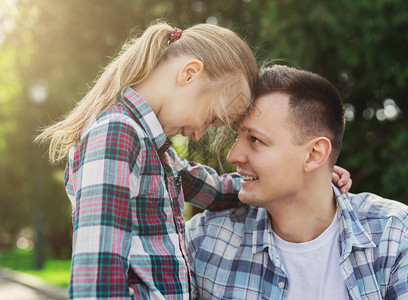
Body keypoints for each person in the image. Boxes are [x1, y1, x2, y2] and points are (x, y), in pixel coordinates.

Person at [36, 22, 349, 298]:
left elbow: (215, 190)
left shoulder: (154, 150)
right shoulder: (117, 135)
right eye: (212, 118)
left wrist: (312, 173)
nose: (199, 134)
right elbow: (96, 282)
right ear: (189, 74)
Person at [186, 65, 408, 299]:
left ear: (314, 154)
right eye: (236, 137)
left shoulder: (394, 235)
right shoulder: (205, 240)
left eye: (255, 139)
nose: (233, 156)